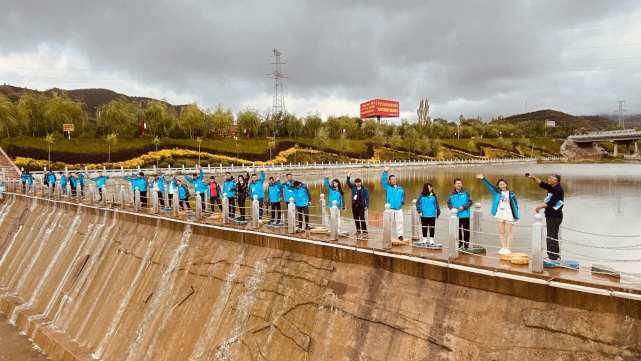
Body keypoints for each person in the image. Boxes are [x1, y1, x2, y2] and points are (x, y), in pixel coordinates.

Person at [477, 174, 520, 255]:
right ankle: (503, 247)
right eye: (500, 184)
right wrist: (483, 179)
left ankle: (508, 248)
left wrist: (516, 214)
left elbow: (516, 204)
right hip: (500, 214)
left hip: (509, 214)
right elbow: (489, 186)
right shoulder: (496, 192)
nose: (502, 185)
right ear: (498, 186)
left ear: (506, 184)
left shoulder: (511, 193)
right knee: (501, 232)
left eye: (503, 184)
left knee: (509, 232)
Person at [528, 173, 564, 262]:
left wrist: (539, 207)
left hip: (554, 216)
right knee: (552, 235)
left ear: (556, 180)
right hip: (552, 216)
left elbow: (551, 202)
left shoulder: (558, 189)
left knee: (551, 236)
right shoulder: (552, 187)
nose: (548, 179)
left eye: (551, 178)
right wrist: (534, 177)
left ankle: (553, 258)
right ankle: (555, 256)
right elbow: (542, 184)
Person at [381, 167, 405, 241]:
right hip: (390, 209)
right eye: (392, 179)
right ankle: (387, 235)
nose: (394, 180)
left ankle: (400, 235)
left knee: (400, 222)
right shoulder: (387, 187)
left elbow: (403, 197)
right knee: (389, 223)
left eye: (395, 179)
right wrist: (385, 171)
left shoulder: (400, 188)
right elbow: (383, 181)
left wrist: (401, 202)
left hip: (399, 209)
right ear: (389, 181)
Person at [447, 178, 473, 249]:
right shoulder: (451, 194)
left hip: (465, 214)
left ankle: (466, 244)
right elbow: (448, 203)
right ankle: (460, 243)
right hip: (456, 215)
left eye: (460, 183)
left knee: (466, 230)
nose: (458, 185)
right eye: (457, 183)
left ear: (462, 184)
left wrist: (463, 207)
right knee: (458, 230)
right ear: (454, 185)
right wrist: (452, 208)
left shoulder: (466, 192)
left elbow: (470, 202)